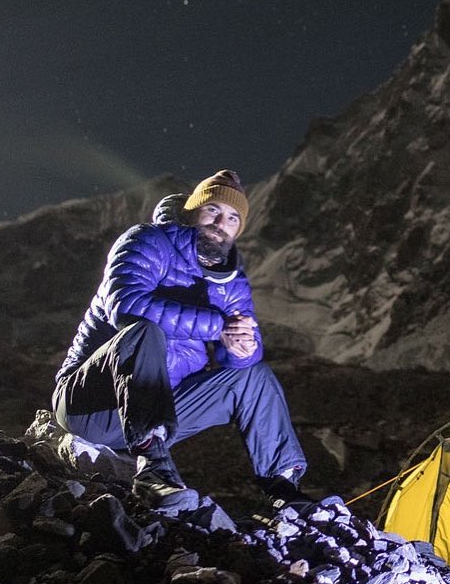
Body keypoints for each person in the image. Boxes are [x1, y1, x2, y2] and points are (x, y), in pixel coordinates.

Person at [52, 169, 309, 513]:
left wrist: (243, 350)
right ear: (192, 211)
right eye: (213, 210)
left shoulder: (231, 280)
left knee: (254, 377)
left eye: (233, 218)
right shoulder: (146, 240)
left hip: (162, 407)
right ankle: (153, 472)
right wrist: (217, 327)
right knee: (143, 331)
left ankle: (285, 488)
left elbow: (243, 346)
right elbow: (126, 306)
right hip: (91, 406)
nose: (221, 222)